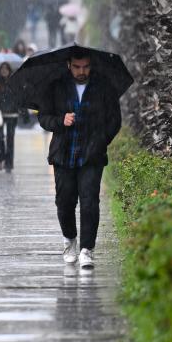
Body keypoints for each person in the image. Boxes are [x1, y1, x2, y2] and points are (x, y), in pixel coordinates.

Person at [35, 51, 122, 270]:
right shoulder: (56, 86)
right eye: (77, 67)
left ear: (91, 65)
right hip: (63, 153)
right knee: (64, 201)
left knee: (90, 201)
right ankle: (69, 239)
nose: (81, 71)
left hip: (92, 154)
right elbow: (43, 117)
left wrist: (101, 139)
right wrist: (60, 120)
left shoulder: (103, 86)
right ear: (69, 65)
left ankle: (87, 250)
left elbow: (115, 119)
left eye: (85, 67)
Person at [0, 62, 19, 171]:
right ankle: (0, 159)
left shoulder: (15, 82)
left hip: (12, 114)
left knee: (10, 140)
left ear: (9, 70)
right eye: (2, 68)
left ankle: (9, 164)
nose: (4, 70)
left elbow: (20, 97)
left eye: (6, 68)